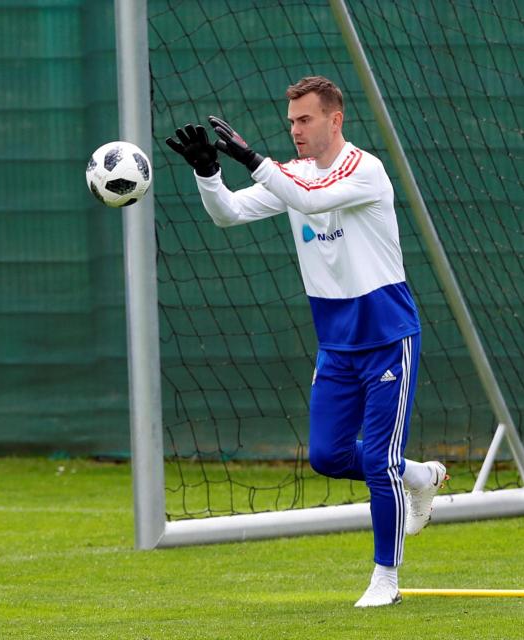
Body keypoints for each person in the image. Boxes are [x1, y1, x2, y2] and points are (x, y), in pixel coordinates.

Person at [166, 76, 447, 607]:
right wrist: (209, 173)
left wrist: (253, 159)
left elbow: (310, 201)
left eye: (305, 119)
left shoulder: (366, 170)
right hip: (336, 343)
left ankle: (385, 580)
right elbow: (229, 214)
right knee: (328, 455)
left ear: (334, 119)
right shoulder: (289, 175)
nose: (295, 129)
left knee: (379, 465)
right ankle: (420, 474)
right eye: (291, 120)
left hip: (388, 335)